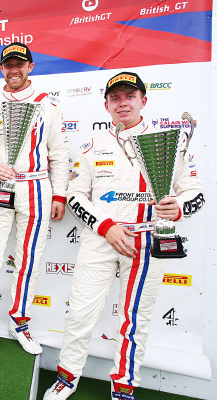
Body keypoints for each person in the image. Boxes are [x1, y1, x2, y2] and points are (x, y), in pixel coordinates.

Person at [43, 72, 206, 399]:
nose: (122, 103)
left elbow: (195, 194)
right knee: (80, 313)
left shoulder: (167, 142)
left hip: (148, 245)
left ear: (143, 101)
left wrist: (179, 208)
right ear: (106, 105)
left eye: (129, 96)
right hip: (101, 240)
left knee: (134, 321)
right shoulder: (91, 146)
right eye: (115, 98)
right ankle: (67, 375)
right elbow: (76, 195)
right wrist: (107, 227)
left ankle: (124, 384)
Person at [0, 42, 70, 354]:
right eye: (8, 64)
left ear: (30, 66)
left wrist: (60, 194)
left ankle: (19, 319)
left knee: (30, 260)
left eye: (20, 63)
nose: (13, 70)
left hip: (37, 189)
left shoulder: (49, 107)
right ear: (1, 68)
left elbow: (59, 153)